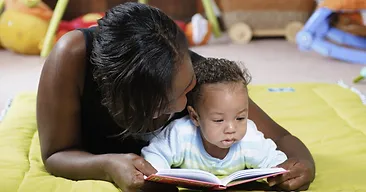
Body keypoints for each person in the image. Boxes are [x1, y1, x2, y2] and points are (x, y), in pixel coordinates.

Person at [36, 2, 315, 192]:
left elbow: (280, 138)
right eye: (161, 104)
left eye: (186, 89)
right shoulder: (71, 58)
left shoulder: (194, 73)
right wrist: (106, 166)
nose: (183, 105)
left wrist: (303, 167)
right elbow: (55, 153)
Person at [141, 58, 288, 174]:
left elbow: (276, 160)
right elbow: (154, 155)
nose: (231, 128)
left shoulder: (250, 138)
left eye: (240, 118)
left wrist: (280, 174)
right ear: (195, 117)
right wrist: (160, 177)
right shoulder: (181, 134)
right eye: (219, 120)